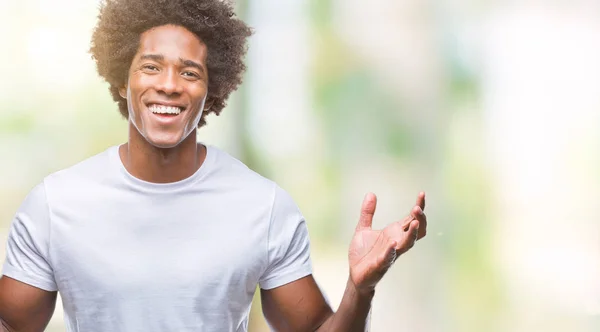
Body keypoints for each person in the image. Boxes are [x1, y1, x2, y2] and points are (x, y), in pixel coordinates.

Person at [0, 0, 427, 331]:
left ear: (212, 88)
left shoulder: (262, 207)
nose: (168, 85)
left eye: (190, 73)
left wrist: (360, 288)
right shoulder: (56, 205)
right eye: (151, 67)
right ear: (121, 77)